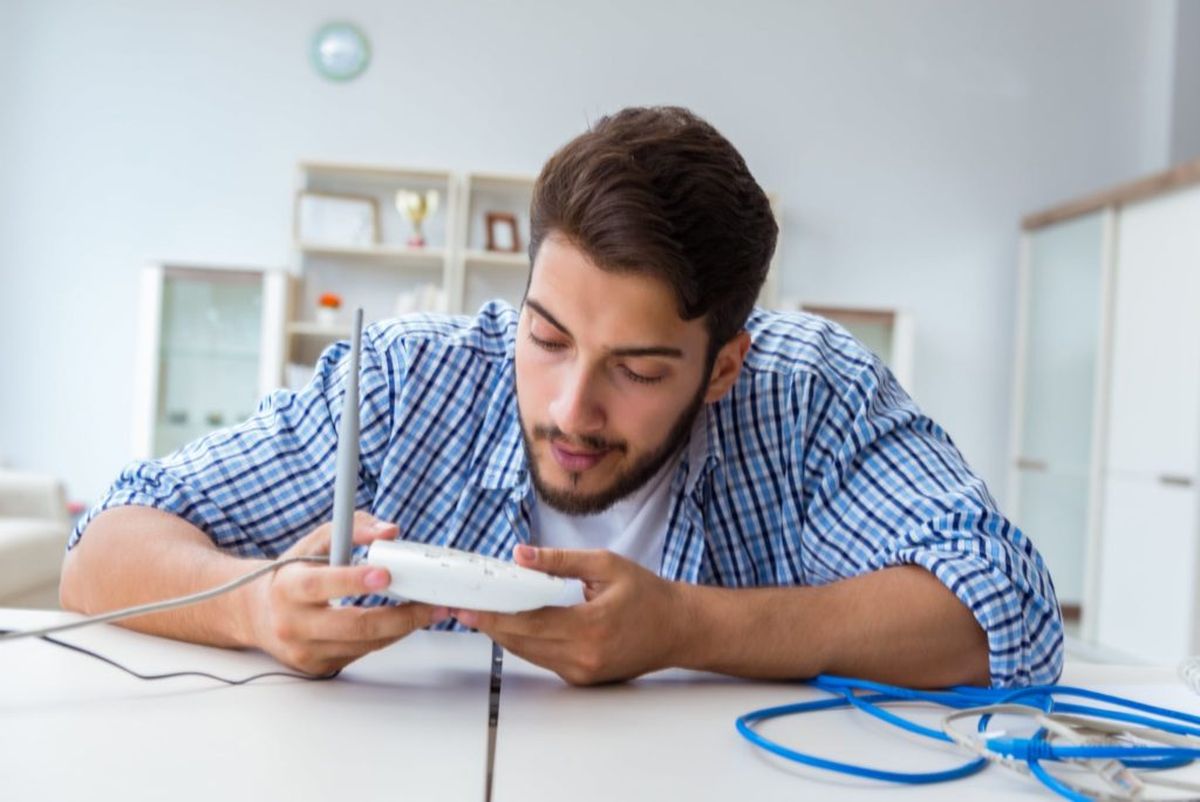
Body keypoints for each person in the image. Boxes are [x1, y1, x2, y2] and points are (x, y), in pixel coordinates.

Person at [60, 106, 1062, 688]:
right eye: (547, 337)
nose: (572, 408)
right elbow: (102, 549)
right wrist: (254, 612)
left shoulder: (807, 391)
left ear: (722, 366)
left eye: (637, 367)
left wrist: (684, 627)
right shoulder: (412, 379)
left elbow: (1006, 608)